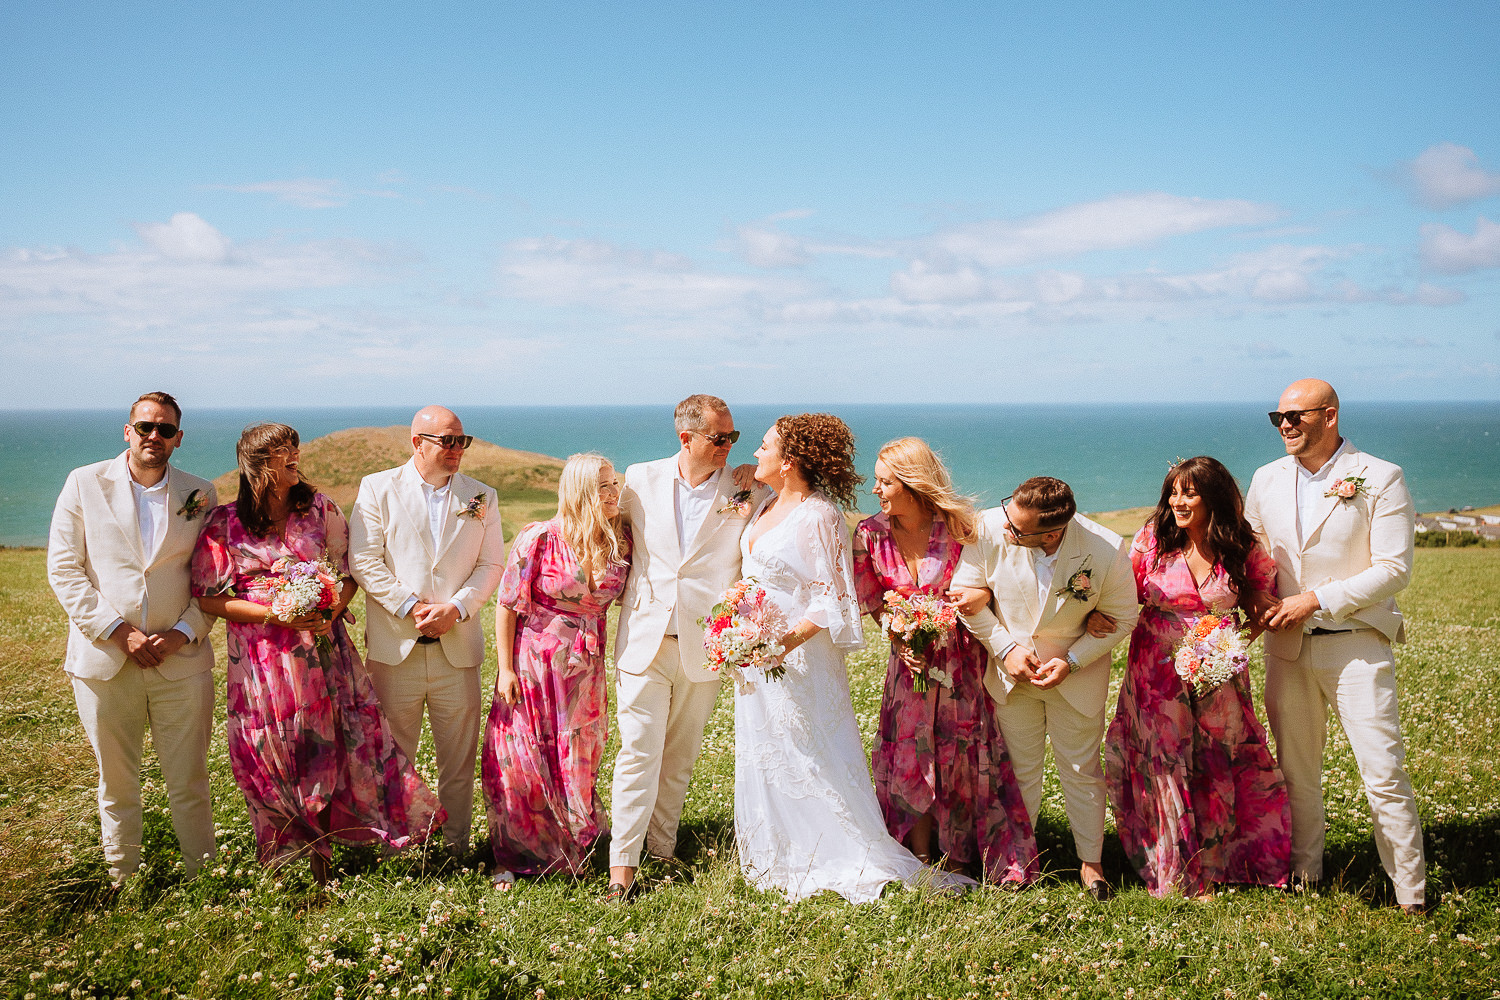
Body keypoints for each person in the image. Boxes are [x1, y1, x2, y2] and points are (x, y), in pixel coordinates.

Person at [736, 414, 974, 902]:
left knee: (811, 751)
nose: (756, 454)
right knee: (769, 747)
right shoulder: (762, 503)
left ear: (790, 461)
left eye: (764, 447)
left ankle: (834, 849)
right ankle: (780, 848)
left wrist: (781, 643)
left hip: (797, 653)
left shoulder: (818, 514)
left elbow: (833, 599)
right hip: (755, 650)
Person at [192, 422, 443, 881]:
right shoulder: (223, 522)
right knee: (266, 754)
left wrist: (331, 609)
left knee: (323, 750)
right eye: (280, 450)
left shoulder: (320, 509)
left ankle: (322, 868)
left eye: (294, 447)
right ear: (255, 463)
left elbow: (350, 572)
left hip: (323, 654)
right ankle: (284, 868)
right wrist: (274, 614)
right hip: (260, 663)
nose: (293, 455)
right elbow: (208, 596)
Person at [1244, 378, 1426, 914]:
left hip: (1356, 645)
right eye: (1277, 417)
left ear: (1330, 415)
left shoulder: (1380, 476)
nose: (1285, 426)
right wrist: (1256, 599)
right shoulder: (1265, 479)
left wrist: (1315, 600)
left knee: (1383, 770)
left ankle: (1410, 894)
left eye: (1296, 416)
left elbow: (1394, 570)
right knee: (1295, 768)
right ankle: (1305, 875)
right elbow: (1254, 557)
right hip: (1286, 648)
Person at [46, 391, 217, 883]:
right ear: (128, 431)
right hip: (104, 659)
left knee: (189, 779)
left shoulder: (202, 493)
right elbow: (64, 569)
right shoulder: (83, 483)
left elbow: (212, 580)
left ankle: (203, 879)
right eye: (145, 427)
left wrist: (183, 633)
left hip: (181, 662)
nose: (154, 437)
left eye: (165, 430)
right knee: (117, 783)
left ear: (178, 438)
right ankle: (124, 881)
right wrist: (119, 632)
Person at [851, 437, 1038, 885]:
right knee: (910, 754)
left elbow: (994, 582)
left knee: (959, 755)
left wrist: (977, 595)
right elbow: (874, 601)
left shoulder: (960, 528)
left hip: (960, 662)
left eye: (885, 482)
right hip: (908, 663)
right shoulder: (868, 534)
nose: (876, 490)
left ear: (912, 484)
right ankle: (919, 855)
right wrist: (899, 639)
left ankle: (958, 853)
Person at [1103, 456, 1290, 898]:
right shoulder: (1153, 539)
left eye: (1189, 492)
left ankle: (1225, 860)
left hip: (1217, 674)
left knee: (1216, 758)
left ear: (1215, 498)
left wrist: (1231, 646)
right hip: (1155, 672)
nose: (1178, 501)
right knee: (1164, 762)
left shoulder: (1241, 546)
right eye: (1173, 491)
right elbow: (1124, 593)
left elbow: (1263, 603)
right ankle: (1175, 870)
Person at [606, 395, 767, 902]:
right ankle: (621, 869)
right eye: (718, 438)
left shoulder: (745, 489)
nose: (726, 446)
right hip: (643, 641)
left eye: (733, 438)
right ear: (686, 438)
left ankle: (663, 851)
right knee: (638, 751)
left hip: (707, 644)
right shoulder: (639, 479)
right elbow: (601, 523)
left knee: (680, 757)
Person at [950, 477, 1138, 900]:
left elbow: (1123, 617)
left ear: (1052, 533)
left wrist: (1072, 661)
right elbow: (962, 595)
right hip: (1012, 678)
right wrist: (1004, 649)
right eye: (1008, 516)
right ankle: (1018, 859)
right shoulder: (989, 527)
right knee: (1019, 770)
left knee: (1081, 771)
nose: (1006, 529)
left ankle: (1092, 865)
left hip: (1075, 679)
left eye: (1018, 529)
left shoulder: (1106, 548)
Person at [349, 406, 504, 855]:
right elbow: (363, 559)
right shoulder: (377, 488)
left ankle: (455, 848)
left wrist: (457, 608)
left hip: (458, 649)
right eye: (447, 441)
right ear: (418, 442)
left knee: (458, 760)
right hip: (395, 647)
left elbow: (491, 563)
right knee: (396, 756)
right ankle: (399, 848)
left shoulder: (483, 496)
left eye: (462, 441)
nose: (457, 449)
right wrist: (411, 606)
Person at [480, 453, 631, 884]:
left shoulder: (619, 541)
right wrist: (504, 669)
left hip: (585, 670)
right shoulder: (539, 537)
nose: (613, 493)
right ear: (581, 490)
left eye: (615, 483)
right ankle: (515, 854)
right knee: (523, 758)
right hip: (534, 664)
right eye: (604, 486)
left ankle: (570, 847)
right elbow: (508, 605)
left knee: (578, 756)